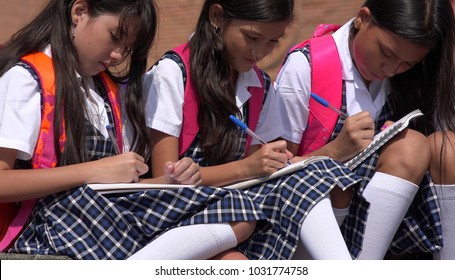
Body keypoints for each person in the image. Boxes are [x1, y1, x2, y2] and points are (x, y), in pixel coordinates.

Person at [139, 0, 362, 260]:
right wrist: (248, 167)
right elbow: (168, 182)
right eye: (252, 37)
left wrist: (272, 164)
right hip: (176, 213)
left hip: (233, 211)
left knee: (317, 177)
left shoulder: (261, 86)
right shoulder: (173, 72)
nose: (259, 52)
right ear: (217, 17)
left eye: (272, 42)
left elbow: (256, 178)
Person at [0, 0, 213, 260]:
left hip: (100, 215)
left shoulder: (105, 91)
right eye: (115, 37)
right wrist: (93, 171)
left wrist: (166, 183)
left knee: (231, 209)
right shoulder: (26, 79)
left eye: (128, 47)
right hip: (52, 225)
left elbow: (115, 182)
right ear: (79, 12)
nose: (118, 55)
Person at [272, 0, 455, 259]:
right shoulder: (306, 66)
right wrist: (335, 151)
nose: (391, 69)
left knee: (446, 147)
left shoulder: (411, 78)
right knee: (410, 147)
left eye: (407, 63)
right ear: (363, 18)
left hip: (391, 210)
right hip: (319, 217)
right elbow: (272, 174)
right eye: (387, 53)